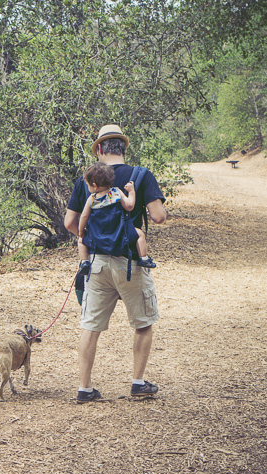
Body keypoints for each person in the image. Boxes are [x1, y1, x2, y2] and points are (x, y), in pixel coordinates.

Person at [64, 124, 167, 403]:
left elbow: (70, 223)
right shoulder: (141, 176)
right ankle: (137, 382)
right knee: (143, 323)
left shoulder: (87, 181)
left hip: (96, 262)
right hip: (130, 261)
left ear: (99, 149)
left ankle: (85, 388)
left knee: (91, 325)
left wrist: (92, 237)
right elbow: (158, 216)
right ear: (124, 148)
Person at [77, 161, 156, 270]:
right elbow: (130, 206)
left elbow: (84, 217)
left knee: (81, 241)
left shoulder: (92, 199)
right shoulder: (116, 193)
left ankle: (84, 262)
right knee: (140, 234)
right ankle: (144, 258)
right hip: (119, 233)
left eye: (88, 185)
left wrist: (81, 231)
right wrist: (132, 191)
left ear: (94, 186)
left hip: (97, 235)